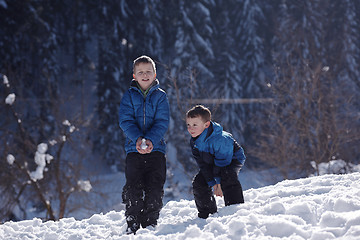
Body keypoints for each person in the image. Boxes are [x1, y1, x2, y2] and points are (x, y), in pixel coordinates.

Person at [118, 55, 170, 234]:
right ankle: (132, 222)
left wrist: (150, 141)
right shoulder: (129, 96)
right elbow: (125, 120)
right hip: (134, 150)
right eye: (140, 72)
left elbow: (162, 122)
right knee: (133, 187)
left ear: (155, 74)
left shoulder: (161, 96)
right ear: (134, 76)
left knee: (155, 187)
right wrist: (138, 139)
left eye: (148, 71)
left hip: (156, 150)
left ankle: (150, 223)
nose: (145, 75)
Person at [186, 105, 246, 219]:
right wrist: (211, 182)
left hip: (231, 160)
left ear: (206, 125)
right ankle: (207, 212)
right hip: (210, 162)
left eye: (194, 125)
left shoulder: (220, 139)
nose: (190, 128)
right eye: (188, 125)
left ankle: (234, 208)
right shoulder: (195, 141)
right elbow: (202, 165)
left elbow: (223, 162)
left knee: (227, 175)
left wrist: (218, 184)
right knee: (199, 182)